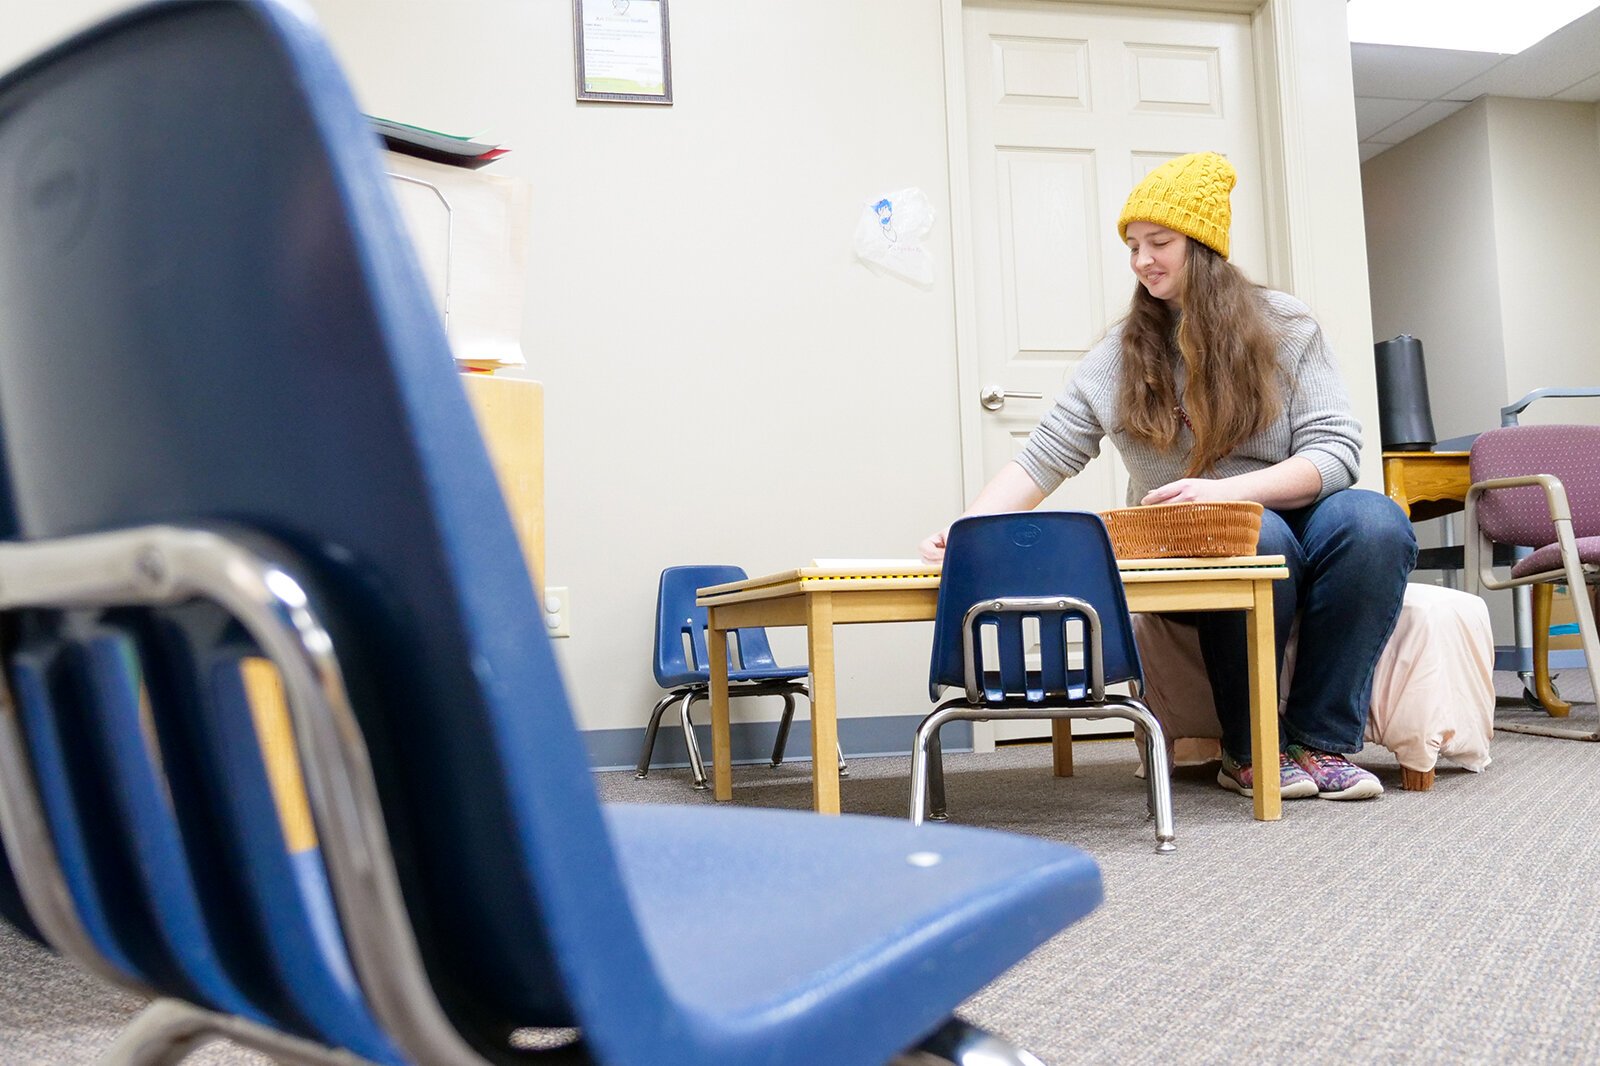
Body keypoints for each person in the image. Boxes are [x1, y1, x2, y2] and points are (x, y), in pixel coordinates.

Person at [918, 151, 1416, 801]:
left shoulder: (1287, 327)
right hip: (1197, 541)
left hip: (1287, 511)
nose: (1141, 260)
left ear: (1203, 247)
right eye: (1133, 246)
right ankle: (1250, 749)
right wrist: (968, 531)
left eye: (1159, 242)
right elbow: (1043, 457)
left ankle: (1319, 742)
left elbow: (1335, 454)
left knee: (1376, 520)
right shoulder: (1118, 357)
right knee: (1257, 535)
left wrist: (1229, 489)